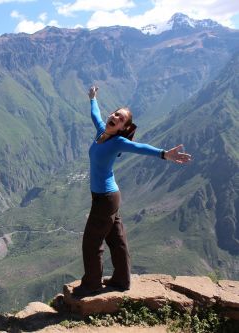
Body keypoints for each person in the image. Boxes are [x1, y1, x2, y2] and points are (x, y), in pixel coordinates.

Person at [73, 85, 192, 296]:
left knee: (92, 242)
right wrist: (92, 98)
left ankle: (91, 283)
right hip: (107, 197)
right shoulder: (102, 131)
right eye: (115, 113)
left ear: (122, 128)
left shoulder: (118, 142)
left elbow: (141, 148)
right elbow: (95, 114)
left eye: (120, 119)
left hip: (106, 199)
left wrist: (165, 154)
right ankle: (121, 280)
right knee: (116, 239)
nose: (115, 117)